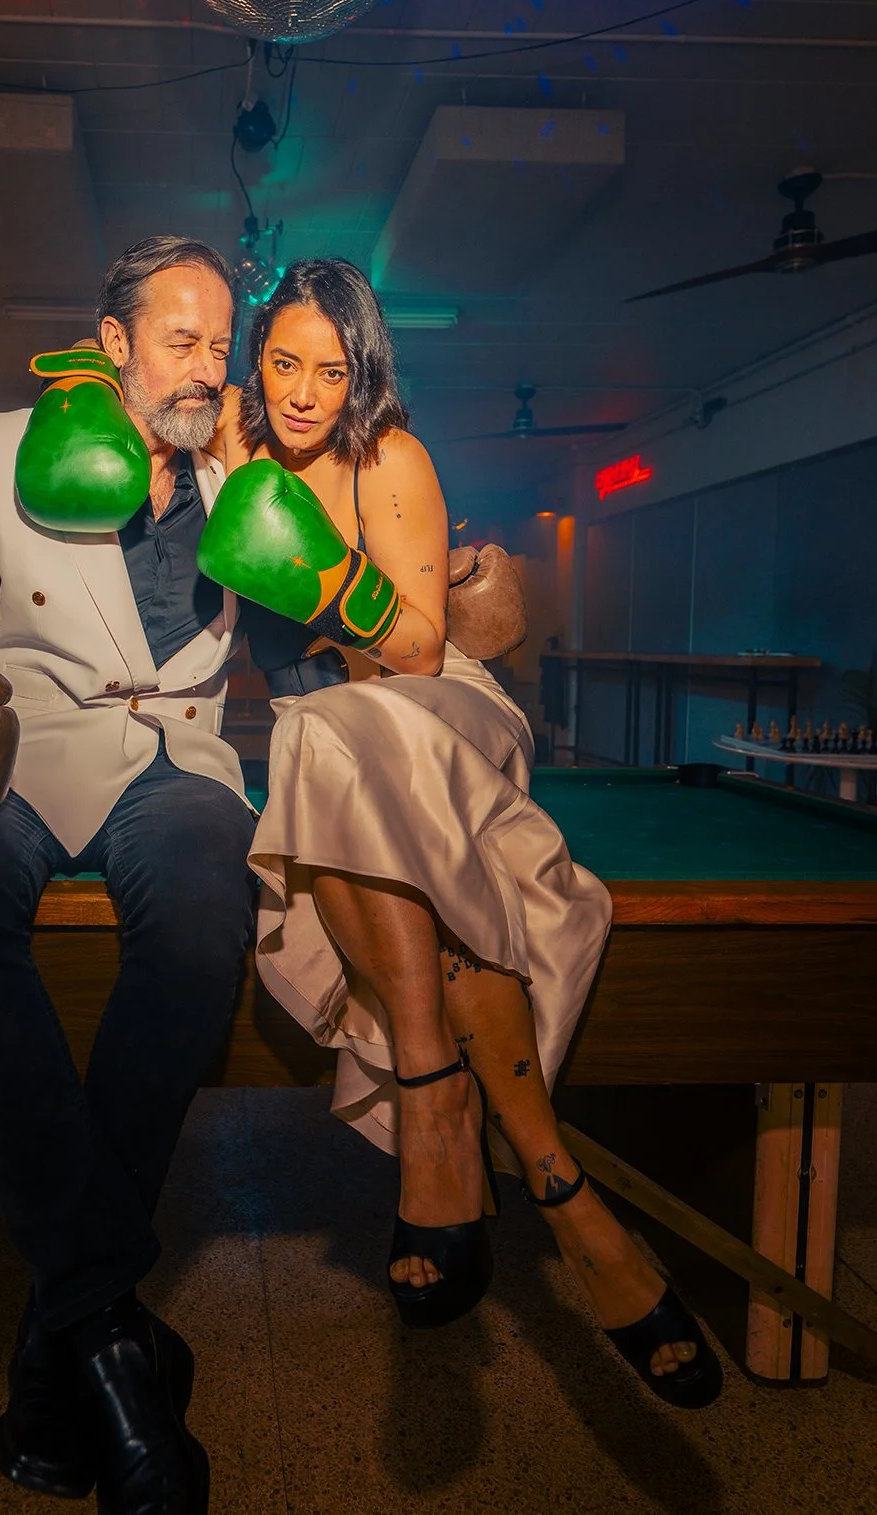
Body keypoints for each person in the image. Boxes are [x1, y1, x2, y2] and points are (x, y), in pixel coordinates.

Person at [198, 257, 724, 1408]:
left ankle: (435, 1108)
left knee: (326, 741)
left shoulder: (391, 455)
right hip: (322, 728)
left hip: (434, 706)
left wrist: (322, 576)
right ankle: (557, 1180)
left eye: (329, 370)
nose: (301, 390)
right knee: (321, 749)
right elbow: (138, 388)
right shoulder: (228, 435)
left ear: (361, 372)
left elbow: (425, 646)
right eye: (282, 361)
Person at [0, 236, 253, 1515]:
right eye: (179, 337)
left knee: (208, 910)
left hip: (176, 757)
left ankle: (61, 1341)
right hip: (20, 746)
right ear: (112, 342)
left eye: (219, 342)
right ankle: (106, 1333)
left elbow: (330, 615)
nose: (204, 365)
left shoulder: (248, 482)